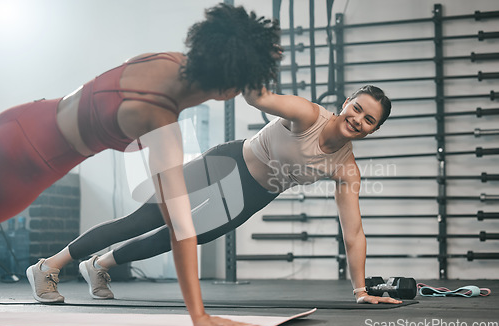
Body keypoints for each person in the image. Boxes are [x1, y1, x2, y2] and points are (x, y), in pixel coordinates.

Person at [0, 3, 281, 326]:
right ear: (228, 92)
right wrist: (199, 316)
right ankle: (49, 267)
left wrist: (252, 51)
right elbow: (182, 229)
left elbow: (230, 47)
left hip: (21, 120)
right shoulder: (159, 122)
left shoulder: (167, 59)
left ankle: (49, 267)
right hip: (30, 165)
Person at [31, 84, 400, 308]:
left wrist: (360, 290)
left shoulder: (346, 168)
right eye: (358, 108)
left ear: (374, 130)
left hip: (254, 195)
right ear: (347, 101)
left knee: (181, 237)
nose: (358, 120)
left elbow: (353, 233)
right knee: (146, 218)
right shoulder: (307, 115)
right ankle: (49, 266)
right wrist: (247, 68)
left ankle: (99, 266)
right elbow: (262, 98)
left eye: (369, 120)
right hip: (228, 162)